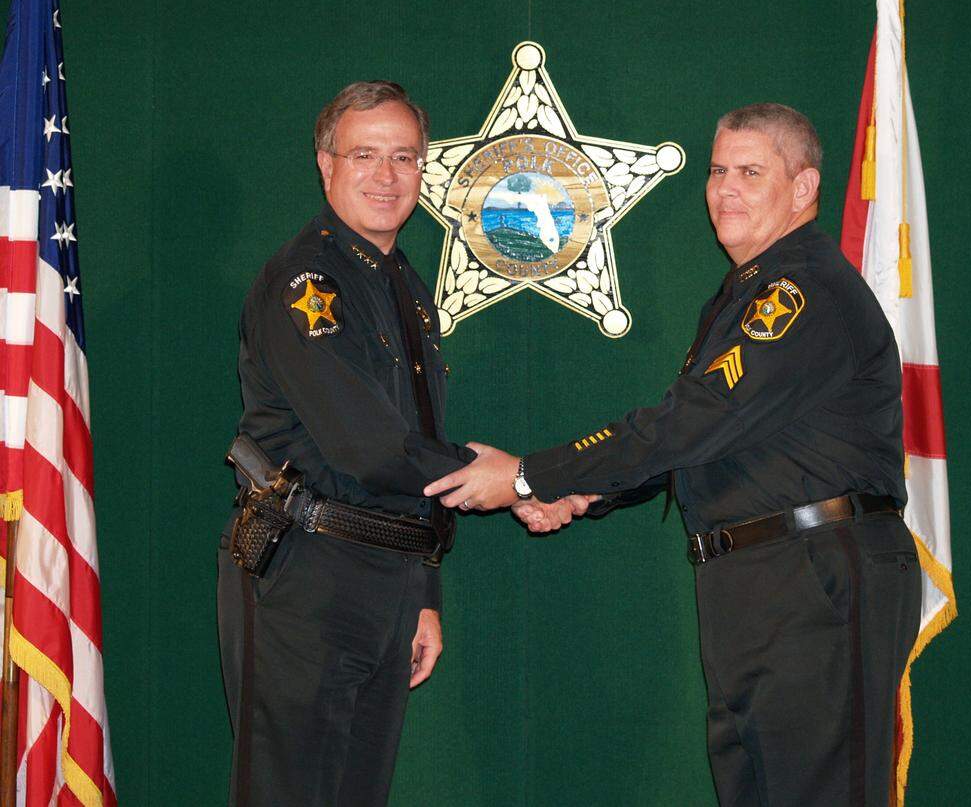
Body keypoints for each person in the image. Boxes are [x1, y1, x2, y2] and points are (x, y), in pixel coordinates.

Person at [425, 103, 923, 806]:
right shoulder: (748, 292)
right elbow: (709, 442)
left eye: (751, 172)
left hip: (815, 578)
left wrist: (532, 474)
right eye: (719, 171)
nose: (725, 189)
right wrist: (589, 492)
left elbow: (694, 420)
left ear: (805, 188)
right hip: (761, 583)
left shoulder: (799, 291)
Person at [216, 80, 582, 807]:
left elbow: (418, 445)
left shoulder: (405, 285)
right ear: (325, 164)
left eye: (405, 156)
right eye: (365, 155)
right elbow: (367, 448)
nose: (387, 176)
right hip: (305, 575)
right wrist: (524, 481)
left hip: (384, 580)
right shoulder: (306, 281)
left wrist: (424, 591)